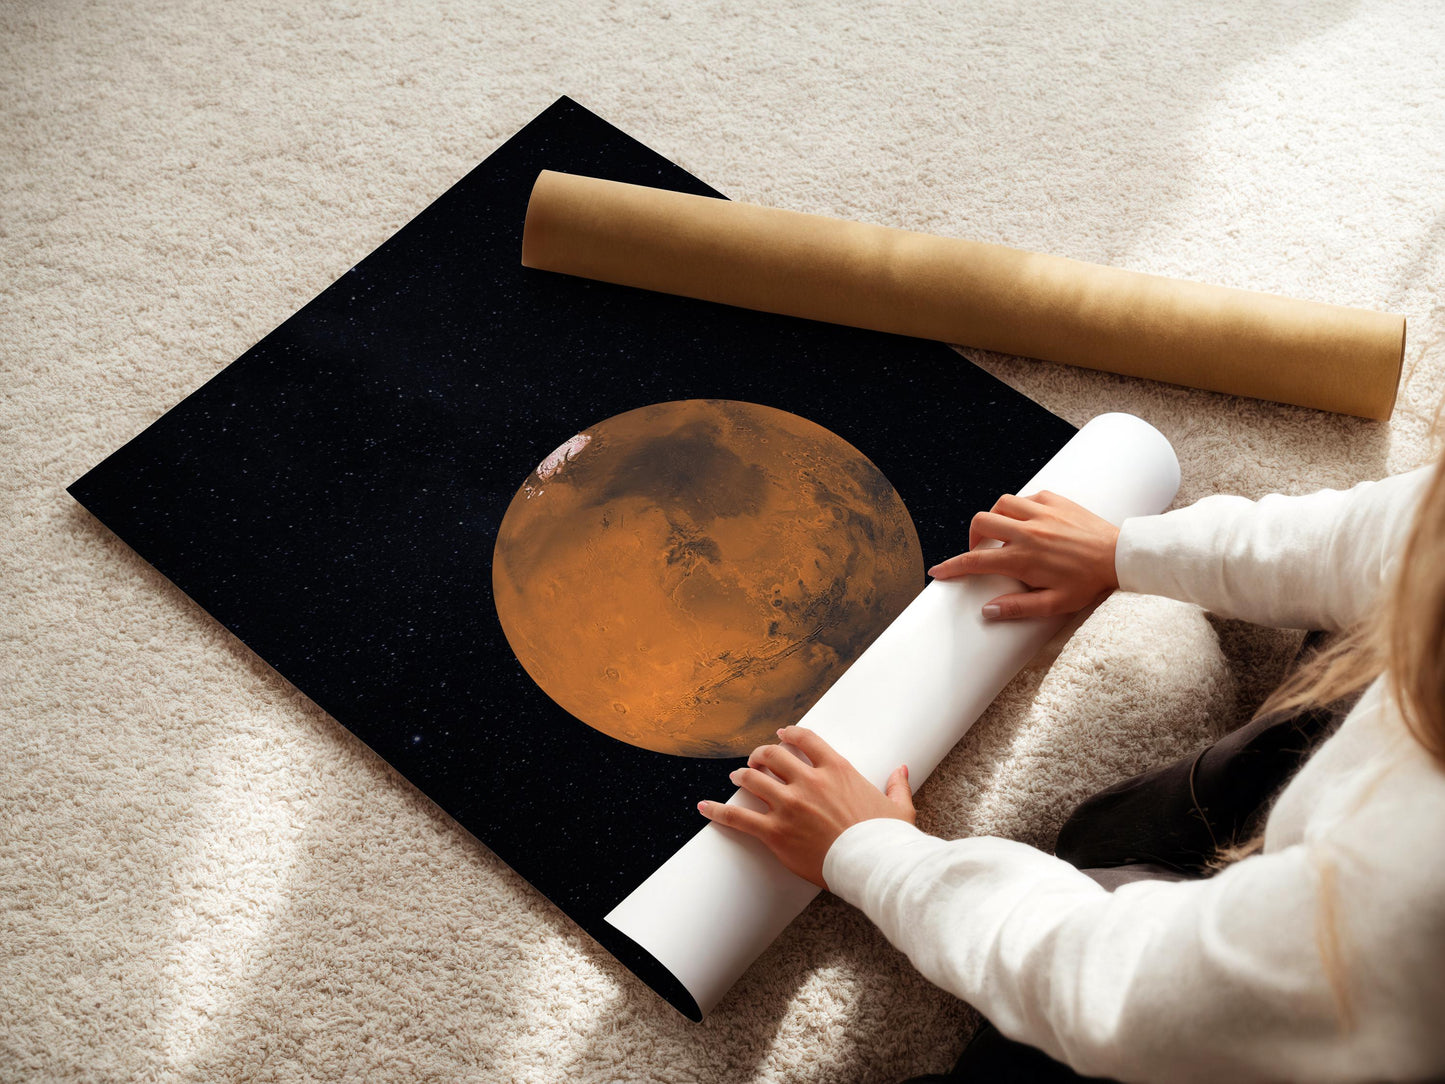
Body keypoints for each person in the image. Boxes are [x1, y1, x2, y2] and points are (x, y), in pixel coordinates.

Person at [697, 461, 1445, 1082]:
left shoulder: (1410, 897)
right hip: (1349, 855)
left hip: (1341, 1012)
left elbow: (1124, 991)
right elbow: (1392, 534)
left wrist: (873, 855)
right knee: (1115, 834)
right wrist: (1125, 550)